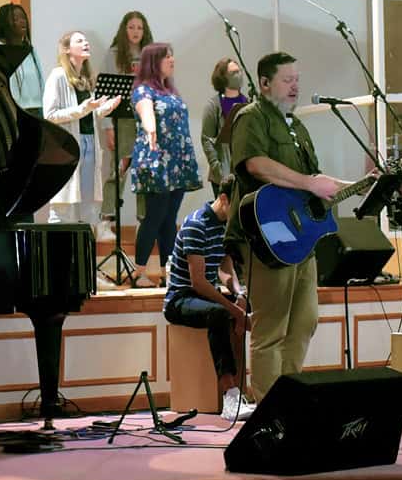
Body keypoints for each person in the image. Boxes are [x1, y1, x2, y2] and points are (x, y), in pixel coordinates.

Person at [224, 52, 353, 403]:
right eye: (287, 79)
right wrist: (311, 184)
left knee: (304, 322)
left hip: (300, 240)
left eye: (297, 78)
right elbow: (256, 165)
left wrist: (360, 183)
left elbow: (314, 182)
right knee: (271, 328)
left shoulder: (297, 126)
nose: (296, 85)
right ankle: (267, 408)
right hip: (266, 238)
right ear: (265, 83)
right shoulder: (251, 117)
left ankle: (289, 401)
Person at [164, 175, 254, 421]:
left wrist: (240, 293)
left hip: (204, 296)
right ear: (223, 199)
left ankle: (252, 389)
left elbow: (225, 269)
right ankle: (230, 395)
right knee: (219, 313)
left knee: (248, 307)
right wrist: (236, 312)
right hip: (180, 299)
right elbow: (199, 282)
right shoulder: (196, 224)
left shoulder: (225, 226)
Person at [129, 43, 202, 288]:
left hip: (177, 161)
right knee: (155, 216)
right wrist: (150, 129)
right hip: (157, 160)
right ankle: (139, 271)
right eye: (167, 57)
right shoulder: (143, 90)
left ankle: (167, 270)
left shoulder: (171, 91)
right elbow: (146, 113)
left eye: (172, 55)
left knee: (170, 218)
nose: (172, 60)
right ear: (153, 61)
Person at [42, 31, 121, 225]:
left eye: (86, 40)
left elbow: (87, 115)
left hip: (90, 145)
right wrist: (85, 108)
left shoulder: (86, 79)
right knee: (64, 208)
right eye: (80, 40)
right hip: (69, 146)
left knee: (88, 209)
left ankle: (84, 251)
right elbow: (50, 115)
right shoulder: (58, 75)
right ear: (67, 49)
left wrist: (103, 109)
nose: (86, 43)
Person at [99, 11, 154, 242]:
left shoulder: (151, 55)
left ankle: (144, 223)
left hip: (145, 121)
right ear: (124, 29)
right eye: (131, 27)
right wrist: (107, 127)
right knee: (118, 171)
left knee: (145, 172)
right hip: (122, 121)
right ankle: (105, 221)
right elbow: (103, 94)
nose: (135, 32)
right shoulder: (114, 55)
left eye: (139, 28)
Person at [201, 58, 249, 198]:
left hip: (246, 173)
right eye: (233, 72)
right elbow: (206, 140)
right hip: (223, 173)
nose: (238, 75)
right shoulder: (213, 106)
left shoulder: (248, 102)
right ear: (223, 77)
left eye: (239, 71)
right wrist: (218, 169)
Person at [0, 3, 45, 118]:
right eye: (15, 19)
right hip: (11, 111)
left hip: (36, 109)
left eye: (23, 18)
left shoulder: (30, 51)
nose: (22, 21)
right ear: (4, 23)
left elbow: (41, 83)